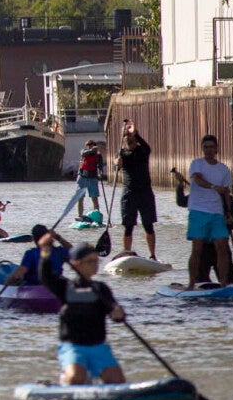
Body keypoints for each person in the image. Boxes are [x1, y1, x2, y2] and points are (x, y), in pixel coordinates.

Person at [40, 242, 126, 386]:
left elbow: (116, 314)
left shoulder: (101, 288)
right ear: (76, 264)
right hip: (73, 347)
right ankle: (67, 378)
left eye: (96, 261)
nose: (95, 265)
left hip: (98, 347)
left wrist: (118, 314)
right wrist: (45, 251)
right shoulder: (64, 287)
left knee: (117, 381)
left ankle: (93, 377)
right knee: (76, 378)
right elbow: (46, 277)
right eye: (90, 261)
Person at [179, 134, 233, 289]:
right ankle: (191, 284)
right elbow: (197, 179)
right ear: (202, 149)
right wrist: (213, 186)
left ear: (216, 149)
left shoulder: (223, 169)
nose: (208, 150)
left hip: (217, 213)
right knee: (197, 248)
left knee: (222, 247)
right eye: (205, 147)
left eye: (211, 147)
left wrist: (228, 213)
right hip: (198, 211)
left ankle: (224, 284)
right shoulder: (197, 164)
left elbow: (226, 192)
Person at [115, 120, 157, 260]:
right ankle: (126, 253)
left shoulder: (143, 151)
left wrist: (135, 133)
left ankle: (152, 255)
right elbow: (116, 164)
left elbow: (146, 146)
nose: (129, 140)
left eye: (131, 138)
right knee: (128, 226)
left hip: (145, 193)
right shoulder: (121, 153)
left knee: (148, 225)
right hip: (129, 193)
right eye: (127, 137)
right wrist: (117, 163)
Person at [67, 140, 106, 225]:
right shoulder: (84, 151)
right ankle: (80, 216)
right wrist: (92, 150)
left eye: (91, 145)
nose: (89, 147)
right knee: (80, 198)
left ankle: (97, 217)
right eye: (88, 145)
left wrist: (100, 173)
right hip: (82, 178)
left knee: (94, 199)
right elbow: (83, 154)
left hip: (92, 179)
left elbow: (100, 166)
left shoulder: (98, 155)